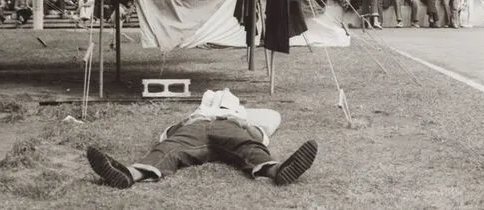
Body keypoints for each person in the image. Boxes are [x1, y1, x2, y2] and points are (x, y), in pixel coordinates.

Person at [86, 88, 318, 188]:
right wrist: (185, 123)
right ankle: (129, 174)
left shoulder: (240, 115)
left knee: (247, 147)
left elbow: (259, 137)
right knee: (169, 148)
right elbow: (167, 135)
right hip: (196, 129)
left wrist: (243, 123)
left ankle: (278, 170)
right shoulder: (195, 114)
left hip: (227, 127)